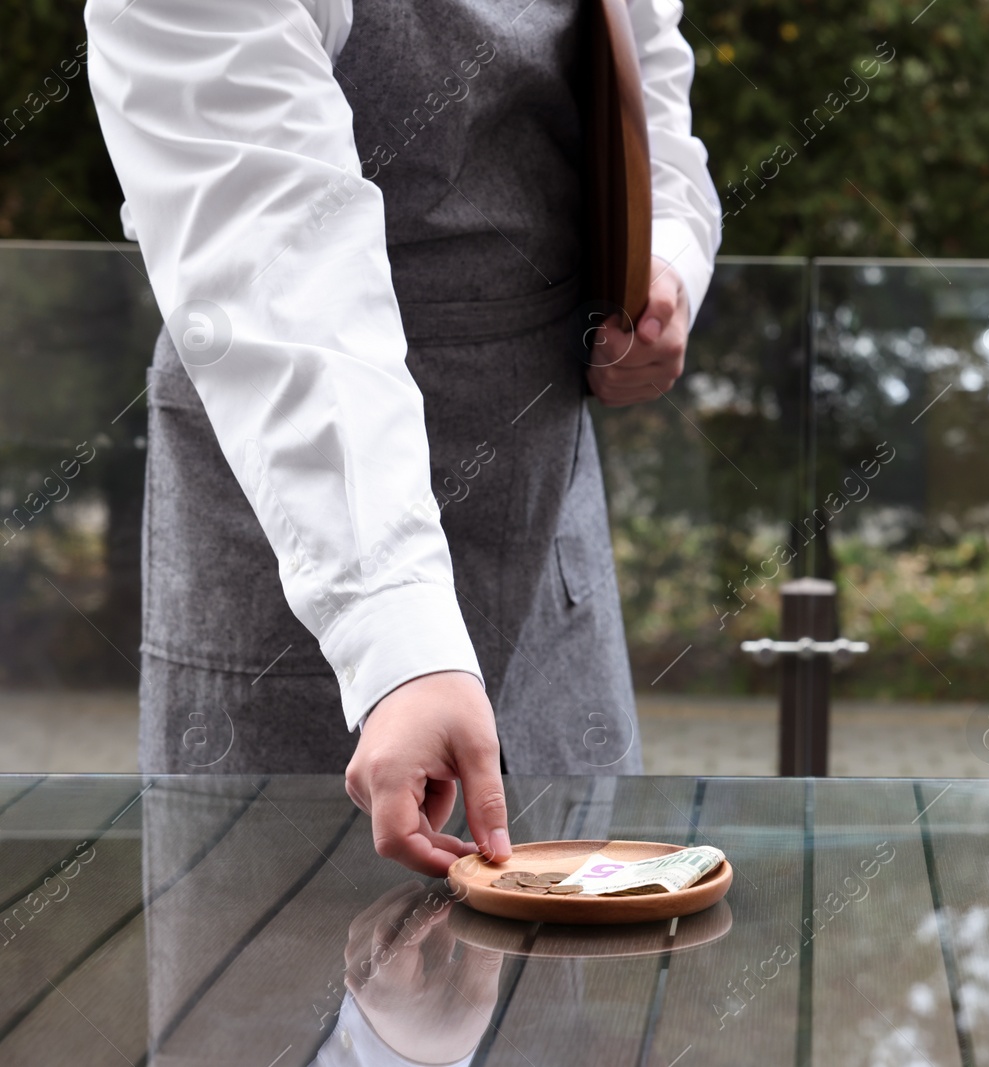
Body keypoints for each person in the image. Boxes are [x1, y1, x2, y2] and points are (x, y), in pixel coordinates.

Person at [85, 0, 720, 875]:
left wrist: (665, 257)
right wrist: (394, 636)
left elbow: (645, 70)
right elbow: (268, 251)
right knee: (274, 972)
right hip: (296, 524)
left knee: (578, 978)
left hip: (542, 500)